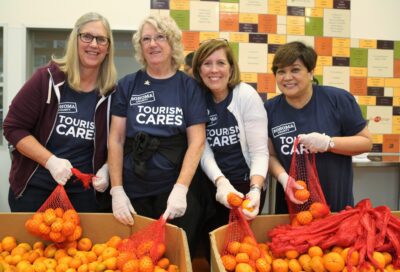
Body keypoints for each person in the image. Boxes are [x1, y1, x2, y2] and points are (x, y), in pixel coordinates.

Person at [108, 14, 207, 254]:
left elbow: (197, 141)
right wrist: (117, 189)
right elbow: (116, 139)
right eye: (146, 39)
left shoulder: (189, 87)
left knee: (172, 259)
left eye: (160, 37)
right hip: (133, 193)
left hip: (173, 192)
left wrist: (181, 189)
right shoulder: (128, 84)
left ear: (172, 42)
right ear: (140, 46)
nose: (153, 44)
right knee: (136, 259)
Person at [3, 12, 117, 212]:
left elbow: (119, 140)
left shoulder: (112, 93)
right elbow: (13, 127)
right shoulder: (46, 79)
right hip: (35, 189)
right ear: (75, 39)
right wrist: (51, 162)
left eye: (101, 39)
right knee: (29, 245)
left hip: (83, 194)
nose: (93, 44)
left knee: (80, 245)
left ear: (108, 48)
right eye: (87, 36)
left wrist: (107, 168)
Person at [265, 41, 372, 214]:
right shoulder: (270, 109)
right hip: (291, 208)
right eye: (281, 71)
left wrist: (329, 143)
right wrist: (283, 178)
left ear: (310, 72)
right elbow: (269, 155)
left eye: (295, 70)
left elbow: (366, 142)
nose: (287, 77)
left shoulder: (338, 100)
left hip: (337, 207)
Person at [192, 38, 269, 228]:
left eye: (220, 63)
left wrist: (256, 189)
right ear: (199, 70)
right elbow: (203, 150)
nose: (214, 70)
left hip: (247, 185)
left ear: (231, 68)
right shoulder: (197, 99)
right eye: (207, 64)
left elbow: (259, 151)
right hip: (213, 185)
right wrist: (220, 182)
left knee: (241, 249)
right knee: (213, 246)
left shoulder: (246, 95)